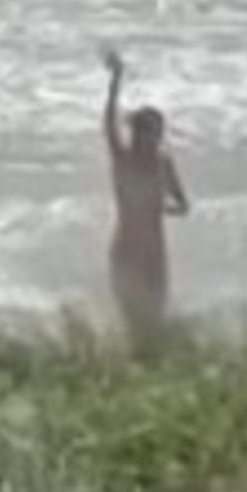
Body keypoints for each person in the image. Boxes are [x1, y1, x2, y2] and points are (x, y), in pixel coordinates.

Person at [100, 47, 190, 355]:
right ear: (136, 133)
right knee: (132, 320)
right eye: (146, 134)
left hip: (154, 252)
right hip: (125, 248)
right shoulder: (122, 158)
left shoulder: (163, 163)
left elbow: (184, 205)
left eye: (155, 135)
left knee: (154, 321)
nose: (150, 141)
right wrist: (116, 79)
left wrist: (163, 209)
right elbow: (108, 123)